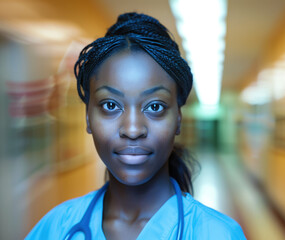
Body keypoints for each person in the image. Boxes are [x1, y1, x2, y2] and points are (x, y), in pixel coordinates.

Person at [26, 12, 247, 240]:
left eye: (155, 107)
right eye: (110, 105)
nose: (132, 130)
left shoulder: (219, 234)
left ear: (178, 119)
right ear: (88, 117)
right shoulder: (56, 228)